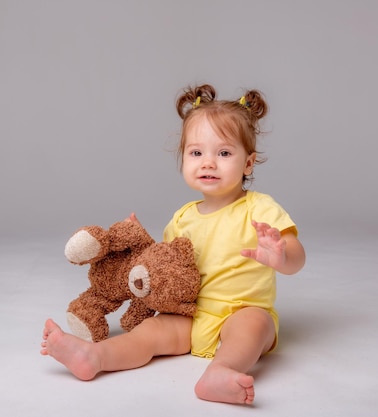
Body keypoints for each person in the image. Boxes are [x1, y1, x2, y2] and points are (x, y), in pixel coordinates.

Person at [40, 84, 306, 405]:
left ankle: (220, 371)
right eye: (196, 153)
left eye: (223, 153)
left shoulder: (260, 208)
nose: (208, 163)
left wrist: (282, 256)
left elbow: (297, 258)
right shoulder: (182, 218)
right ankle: (94, 356)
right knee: (150, 333)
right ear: (184, 159)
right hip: (191, 314)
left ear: (248, 164)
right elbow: (166, 271)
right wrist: (141, 247)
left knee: (255, 326)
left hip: (241, 310)